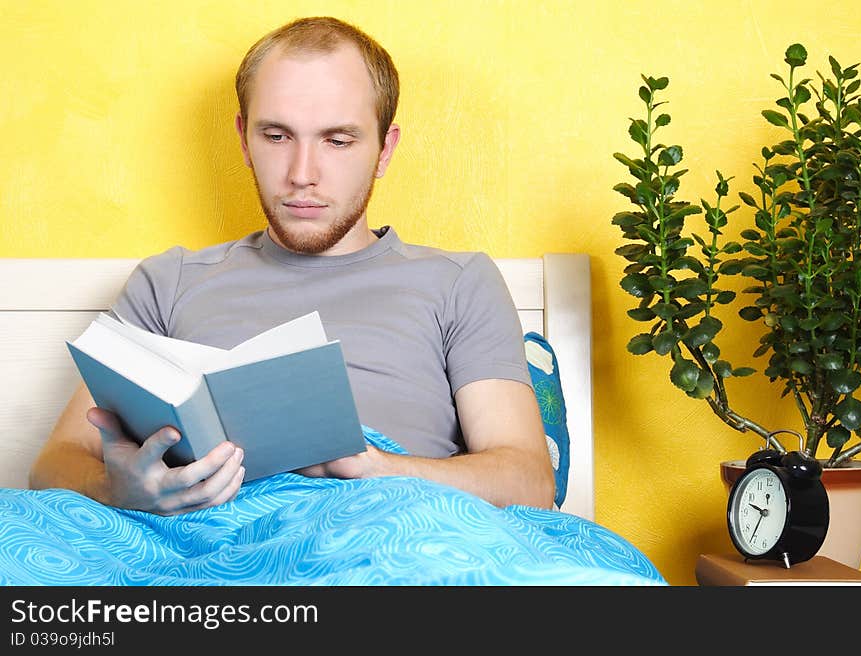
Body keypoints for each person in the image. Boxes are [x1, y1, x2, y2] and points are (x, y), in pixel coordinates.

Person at [29, 16, 554, 516]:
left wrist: (375, 468)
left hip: (388, 534)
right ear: (243, 139)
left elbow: (526, 479)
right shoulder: (168, 282)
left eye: (338, 140)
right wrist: (118, 489)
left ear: (385, 150)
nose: (303, 174)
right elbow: (55, 463)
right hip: (196, 540)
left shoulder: (459, 282)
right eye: (277, 136)